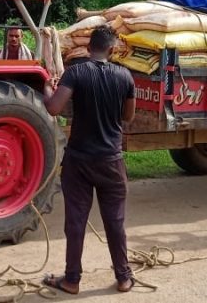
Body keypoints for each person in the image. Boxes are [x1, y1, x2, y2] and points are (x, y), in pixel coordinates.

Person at [41, 24, 136, 294]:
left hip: (79, 161)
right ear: (111, 48)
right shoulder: (125, 76)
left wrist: (47, 87)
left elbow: (54, 108)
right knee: (115, 221)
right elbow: (127, 117)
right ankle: (123, 277)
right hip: (111, 161)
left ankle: (72, 279)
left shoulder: (75, 73)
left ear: (88, 47)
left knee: (75, 222)